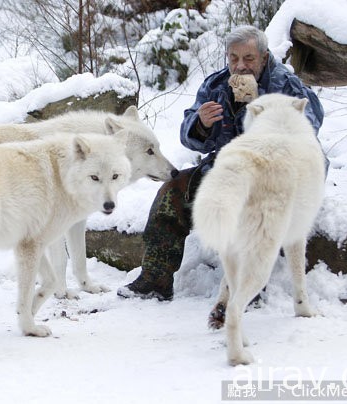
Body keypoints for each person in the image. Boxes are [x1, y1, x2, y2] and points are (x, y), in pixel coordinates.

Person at [117, 25, 326, 301]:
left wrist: (262, 109)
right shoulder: (216, 85)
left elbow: (310, 127)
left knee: (251, 205)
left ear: (263, 58)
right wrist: (201, 124)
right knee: (172, 194)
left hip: (276, 177)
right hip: (227, 170)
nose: (240, 67)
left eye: (248, 59)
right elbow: (188, 137)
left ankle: (247, 288)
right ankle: (155, 280)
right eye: (233, 58)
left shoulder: (287, 86)